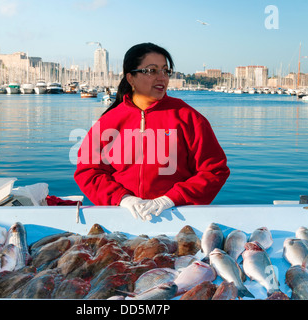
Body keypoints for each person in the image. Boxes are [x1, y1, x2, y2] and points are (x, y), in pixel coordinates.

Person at [74, 43, 230, 221]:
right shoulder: (109, 122)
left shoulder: (187, 118)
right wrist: (123, 198)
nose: (161, 78)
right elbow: (88, 171)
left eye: (165, 71)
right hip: (121, 220)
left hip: (177, 220)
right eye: (152, 71)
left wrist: (171, 198)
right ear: (131, 78)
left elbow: (214, 170)